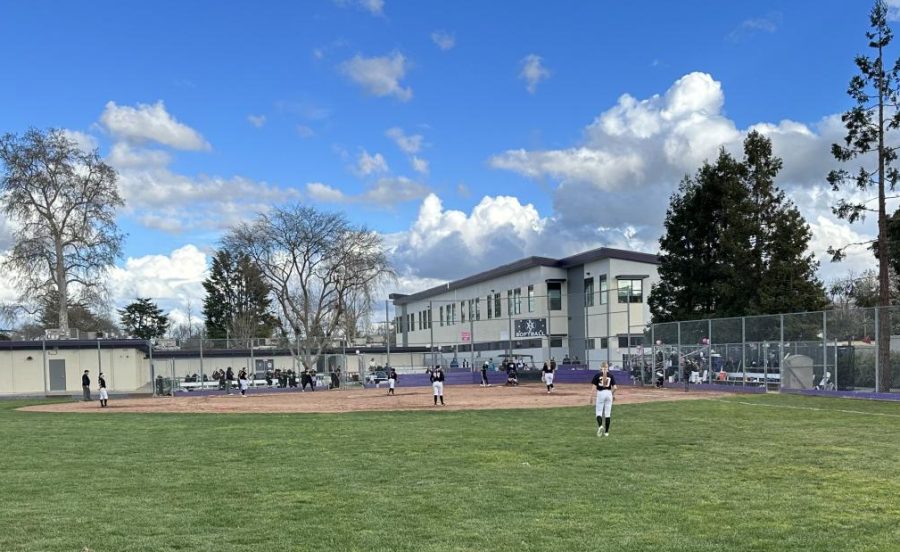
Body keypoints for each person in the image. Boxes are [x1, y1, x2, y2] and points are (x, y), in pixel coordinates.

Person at [591, 362, 617, 437]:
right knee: (607, 414)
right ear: (607, 368)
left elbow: (593, 388)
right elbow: (615, 388)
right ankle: (606, 432)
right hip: (609, 393)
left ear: (600, 367)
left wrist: (591, 397)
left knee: (599, 412)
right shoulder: (611, 375)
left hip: (601, 393)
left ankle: (600, 426)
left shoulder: (597, 375)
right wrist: (612, 394)